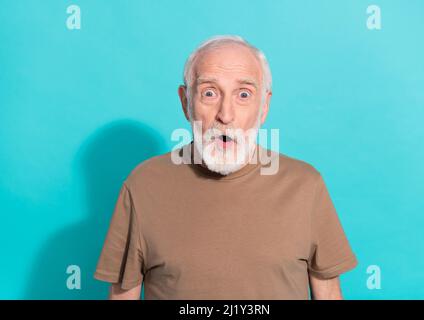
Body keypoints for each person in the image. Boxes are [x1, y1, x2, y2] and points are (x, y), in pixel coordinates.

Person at [94, 35, 358, 300]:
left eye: (243, 95)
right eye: (209, 93)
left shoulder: (305, 185)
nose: (226, 115)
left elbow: (329, 295)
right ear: (186, 102)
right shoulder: (143, 185)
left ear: (264, 106)